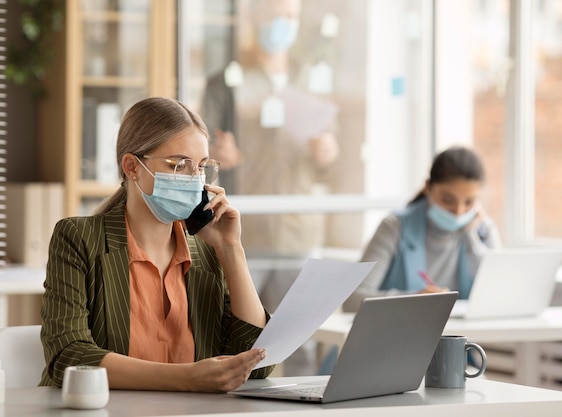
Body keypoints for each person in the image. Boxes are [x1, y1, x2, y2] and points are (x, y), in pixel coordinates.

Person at [39, 97, 273, 392]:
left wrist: (231, 250)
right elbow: (68, 356)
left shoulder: (207, 250)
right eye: (179, 165)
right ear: (132, 167)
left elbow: (257, 365)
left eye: (201, 166)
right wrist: (189, 378)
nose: (195, 179)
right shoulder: (78, 238)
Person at [201, 0, 339, 376]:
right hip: (246, 234)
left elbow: (331, 153)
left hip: (297, 232)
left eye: (290, 17)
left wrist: (326, 151)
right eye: (275, 15)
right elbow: (198, 148)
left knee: (301, 346)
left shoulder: (311, 78)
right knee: (240, 339)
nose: (283, 24)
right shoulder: (227, 80)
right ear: (254, 19)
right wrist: (214, 153)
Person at [343, 146, 502, 313]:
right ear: (428, 187)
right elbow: (353, 301)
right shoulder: (394, 227)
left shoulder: (484, 230)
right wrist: (415, 299)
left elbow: (501, 295)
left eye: (469, 202)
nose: (459, 211)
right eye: (448, 200)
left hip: (466, 336)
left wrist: (472, 238)